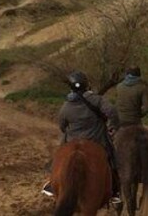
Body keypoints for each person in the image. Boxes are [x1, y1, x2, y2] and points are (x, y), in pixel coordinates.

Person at [42, 71, 123, 207]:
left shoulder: (66, 106)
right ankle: (115, 192)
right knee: (112, 159)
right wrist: (113, 126)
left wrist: (69, 132)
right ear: (86, 85)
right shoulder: (97, 99)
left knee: (58, 158)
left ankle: (51, 184)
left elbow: (62, 125)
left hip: (73, 139)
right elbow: (112, 112)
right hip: (97, 139)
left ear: (71, 87)